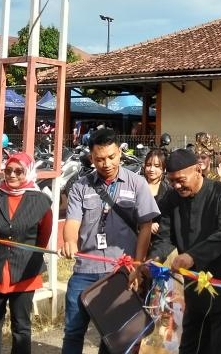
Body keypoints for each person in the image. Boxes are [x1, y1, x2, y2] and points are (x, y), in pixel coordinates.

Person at [59, 128, 160, 354]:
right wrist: (69, 241)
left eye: (111, 157)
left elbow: (146, 227)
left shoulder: (137, 184)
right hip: (85, 271)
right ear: (91, 158)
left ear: (119, 154)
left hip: (120, 272)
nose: (106, 164)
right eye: (99, 159)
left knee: (114, 335)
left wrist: (136, 265)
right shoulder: (80, 186)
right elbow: (73, 222)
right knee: (73, 330)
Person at [142, 148, 221, 354]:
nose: (176, 185)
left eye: (180, 180)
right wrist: (154, 258)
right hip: (194, 285)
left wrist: (192, 256)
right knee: (191, 344)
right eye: (171, 181)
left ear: (198, 169)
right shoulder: (171, 199)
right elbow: (164, 236)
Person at [0, 152, 53, 354]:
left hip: (25, 272)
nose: (13, 175)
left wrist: (27, 253)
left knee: (22, 327)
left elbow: (43, 238)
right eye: (8, 170)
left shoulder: (42, 202)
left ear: (29, 172)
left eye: (19, 171)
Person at [142, 148, 169, 236]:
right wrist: (147, 225)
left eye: (157, 166)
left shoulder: (169, 190)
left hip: (160, 237)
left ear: (163, 169)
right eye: (149, 165)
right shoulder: (138, 186)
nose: (151, 169)